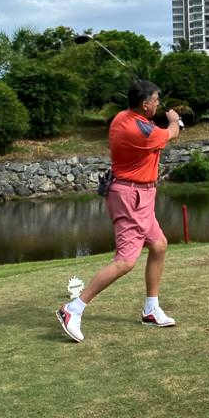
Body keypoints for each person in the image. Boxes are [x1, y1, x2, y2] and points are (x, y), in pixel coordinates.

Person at [56, 80, 181, 342]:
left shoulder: (122, 117)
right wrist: (174, 121)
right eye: (156, 100)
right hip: (131, 197)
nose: (158, 104)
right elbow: (171, 133)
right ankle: (73, 309)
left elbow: (154, 127)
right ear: (144, 105)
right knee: (125, 261)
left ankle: (151, 309)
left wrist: (166, 121)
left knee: (158, 245)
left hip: (140, 195)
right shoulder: (143, 132)